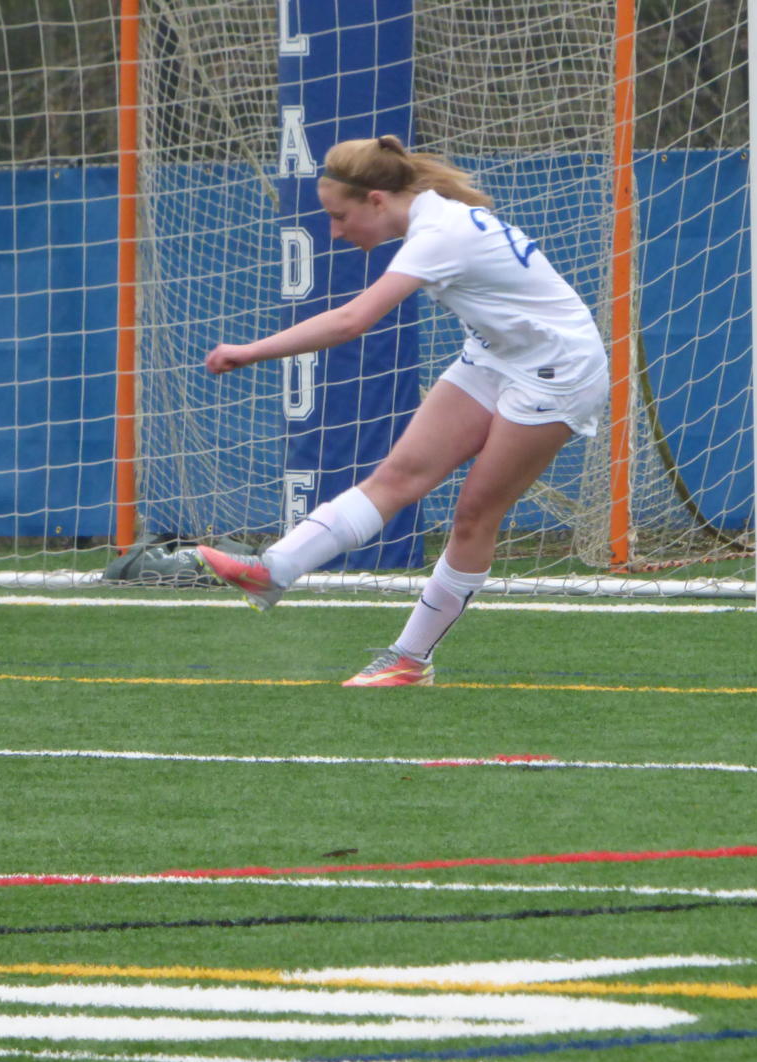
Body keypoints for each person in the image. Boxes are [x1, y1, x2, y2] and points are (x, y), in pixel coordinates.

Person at [199, 135, 609, 686]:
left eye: (339, 217)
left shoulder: (437, 234)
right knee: (397, 476)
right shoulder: (434, 221)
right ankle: (272, 571)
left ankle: (410, 659)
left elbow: (350, 323)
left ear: (375, 200)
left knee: (473, 515)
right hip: (494, 355)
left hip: (558, 371)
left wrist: (248, 351)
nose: (337, 232)